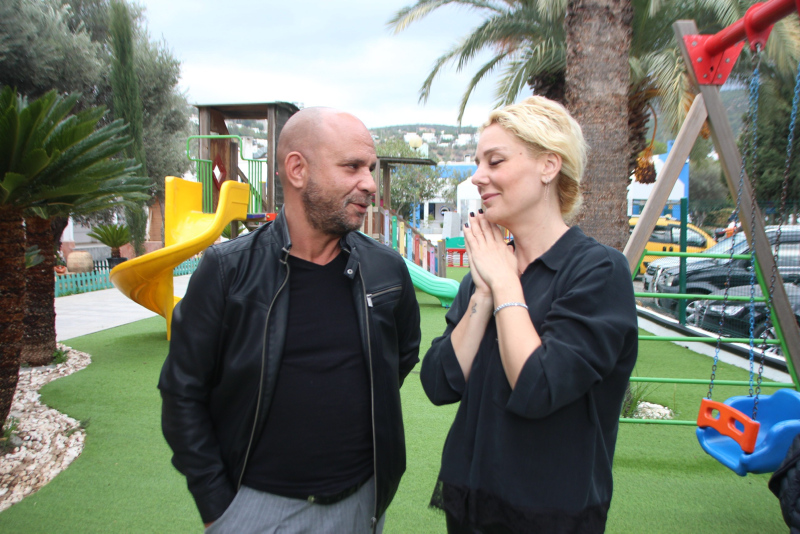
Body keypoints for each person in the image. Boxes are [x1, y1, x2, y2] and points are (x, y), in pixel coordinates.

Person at [158, 107, 421, 534]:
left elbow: (400, 357)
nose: (370, 183)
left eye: (370, 169)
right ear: (298, 169)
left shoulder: (386, 270)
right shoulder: (227, 272)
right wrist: (218, 508)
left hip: (362, 505)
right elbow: (181, 391)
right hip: (255, 509)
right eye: (352, 167)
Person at [420, 96, 638, 533]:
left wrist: (504, 284)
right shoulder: (491, 268)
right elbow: (439, 383)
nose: (478, 177)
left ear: (548, 166)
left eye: (495, 161)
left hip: (550, 515)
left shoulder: (597, 271)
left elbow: (538, 386)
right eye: (477, 163)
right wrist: (484, 292)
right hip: (470, 503)